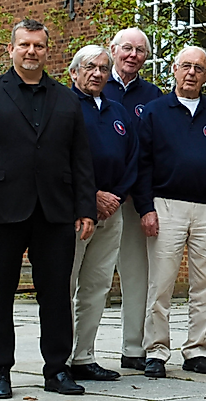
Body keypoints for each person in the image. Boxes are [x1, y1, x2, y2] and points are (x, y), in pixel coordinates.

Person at [0, 19, 97, 398]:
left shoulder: (66, 98)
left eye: (38, 45)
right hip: (0, 212)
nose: (31, 51)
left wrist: (86, 208)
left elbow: (81, 159)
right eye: (24, 45)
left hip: (55, 211)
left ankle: (57, 370)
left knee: (55, 295)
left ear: (47, 50)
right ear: (11, 49)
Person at [135, 46, 206, 378]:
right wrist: (146, 208)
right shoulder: (154, 111)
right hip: (166, 206)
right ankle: (156, 351)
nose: (192, 73)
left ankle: (197, 350)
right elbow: (142, 163)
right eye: (186, 66)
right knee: (162, 283)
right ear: (174, 70)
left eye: (199, 68)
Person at [67, 45, 138, 383]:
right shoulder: (63, 108)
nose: (97, 73)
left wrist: (116, 196)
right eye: (90, 67)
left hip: (113, 212)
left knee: (97, 287)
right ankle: (61, 358)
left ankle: (84, 356)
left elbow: (132, 157)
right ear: (74, 73)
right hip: (73, 212)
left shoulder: (117, 111)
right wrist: (91, 196)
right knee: (65, 285)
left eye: (103, 68)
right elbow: (56, 160)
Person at [102, 27, 162, 373]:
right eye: (127, 48)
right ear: (114, 49)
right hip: (95, 200)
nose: (133, 55)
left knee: (137, 276)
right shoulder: (93, 85)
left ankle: (133, 347)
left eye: (140, 50)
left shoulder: (152, 96)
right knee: (84, 279)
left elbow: (149, 153)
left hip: (135, 200)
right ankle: (77, 351)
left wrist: (144, 202)